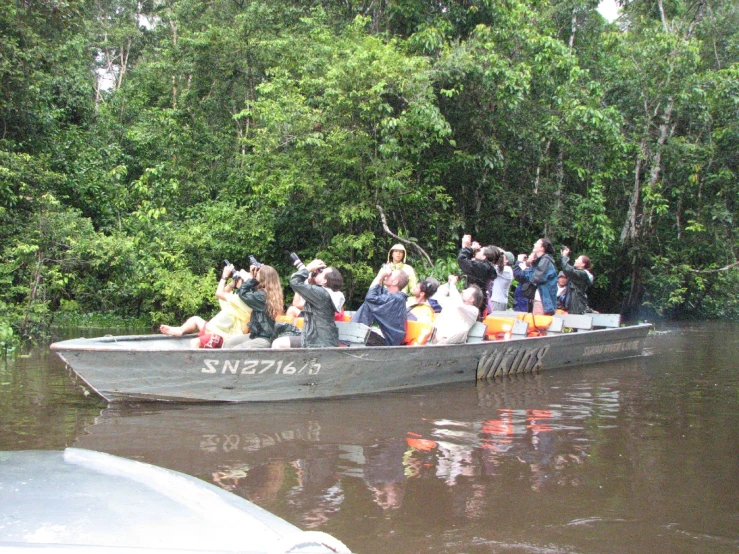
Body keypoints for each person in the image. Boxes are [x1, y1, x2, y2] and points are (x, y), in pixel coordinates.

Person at [159, 263, 251, 348]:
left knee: (195, 342)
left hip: (222, 336)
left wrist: (224, 276)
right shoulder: (236, 298)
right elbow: (224, 292)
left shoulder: (242, 300)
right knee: (195, 319)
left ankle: (191, 364)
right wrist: (232, 284)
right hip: (212, 329)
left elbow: (219, 293)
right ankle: (180, 330)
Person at [272, 257, 345, 349]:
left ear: (325, 281)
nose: (318, 272)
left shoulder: (321, 293)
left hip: (317, 341)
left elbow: (294, 281)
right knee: (284, 336)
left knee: (277, 343)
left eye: (321, 272)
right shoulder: (328, 293)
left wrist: (308, 268)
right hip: (322, 338)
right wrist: (310, 276)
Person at [224, 263, 284, 349]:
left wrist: (252, 279)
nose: (256, 274)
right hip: (256, 335)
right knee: (228, 343)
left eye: (258, 273)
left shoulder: (263, 296)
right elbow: (251, 290)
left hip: (264, 338)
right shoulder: (265, 293)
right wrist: (254, 277)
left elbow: (243, 293)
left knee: (236, 349)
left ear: (263, 277)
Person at [351, 265, 409, 346]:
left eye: (390, 274)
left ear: (395, 282)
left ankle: (352, 331)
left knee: (355, 336)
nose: (387, 275)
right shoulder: (388, 294)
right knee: (353, 335)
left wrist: (380, 276)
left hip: (387, 340)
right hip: (380, 336)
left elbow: (370, 298)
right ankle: (352, 330)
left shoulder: (397, 299)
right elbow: (372, 293)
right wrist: (381, 277)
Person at [430, 275, 482, 344]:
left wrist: (453, 285)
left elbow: (458, 304)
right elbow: (438, 297)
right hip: (435, 340)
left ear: (471, 299)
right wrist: (448, 284)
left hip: (451, 344)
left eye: (467, 291)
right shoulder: (453, 302)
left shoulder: (473, 311)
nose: (463, 290)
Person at [514, 238, 557, 315]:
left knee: (538, 323)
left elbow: (536, 277)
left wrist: (524, 269)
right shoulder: (542, 260)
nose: (534, 244)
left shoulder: (545, 260)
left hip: (543, 298)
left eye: (537, 243)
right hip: (541, 297)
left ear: (542, 248)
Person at [457, 234, 497, 312]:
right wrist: (467, 248)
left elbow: (462, 260)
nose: (476, 252)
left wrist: (469, 248)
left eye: (479, 251)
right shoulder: (486, 267)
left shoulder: (481, 267)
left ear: (484, 257)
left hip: (473, 301)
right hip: (479, 300)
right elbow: (468, 262)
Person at [560, 247, 594, 315]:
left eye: (578, 259)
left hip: (576, 307)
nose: (575, 260)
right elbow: (568, 269)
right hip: (573, 306)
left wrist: (564, 256)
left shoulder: (582, 274)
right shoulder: (578, 273)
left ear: (583, 264)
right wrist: (562, 256)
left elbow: (567, 270)